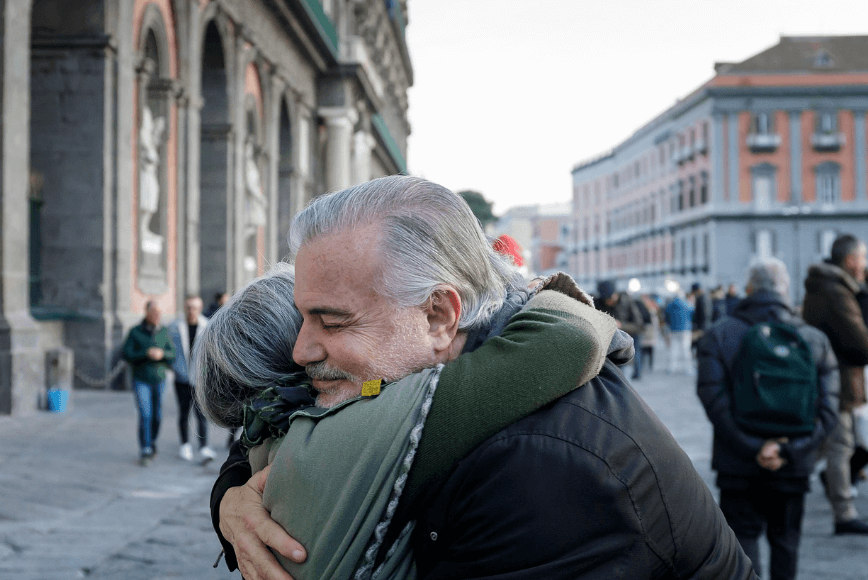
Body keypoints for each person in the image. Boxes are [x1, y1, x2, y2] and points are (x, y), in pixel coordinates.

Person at [212, 176, 757, 580]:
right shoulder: (407, 378)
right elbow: (285, 419)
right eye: (303, 315)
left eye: (332, 321)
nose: (301, 349)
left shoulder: (542, 463)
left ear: (439, 317)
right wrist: (234, 497)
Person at [195, 262, 616, 579]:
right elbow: (567, 338)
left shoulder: (278, 437)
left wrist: (228, 499)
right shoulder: (381, 421)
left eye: (331, 321)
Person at [697, 257, 838, 580]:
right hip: (793, 464)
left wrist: (753, 447)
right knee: (786, 543)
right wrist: (787, 450)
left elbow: (712, 399)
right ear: (785, 290)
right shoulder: (814, 339)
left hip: (737, 464)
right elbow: (828, 411)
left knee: (743, 547)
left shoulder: (720, 334)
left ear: (747, 289)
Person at [802, 233, 868, 534]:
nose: (865, 264)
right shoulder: (837, 292)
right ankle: (844, 513)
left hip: (830, 376)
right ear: (852, 260)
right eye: (863, 258)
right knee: (841, 444)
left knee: (829, 443)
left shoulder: (826, 287)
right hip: (837, 379)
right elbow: (859, 341)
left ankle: (789, 475)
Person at [122, 301, 175, 466]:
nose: (157, 317)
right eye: (154, 313)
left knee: (157, 415)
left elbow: (172, 353)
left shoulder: (164, 332)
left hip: (159, 379)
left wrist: (162, 354)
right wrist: (145, 353)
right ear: (146, 313)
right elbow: (126, 353)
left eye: (159, 314)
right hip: (141, 379)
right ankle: (145, 448)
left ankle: (152, 441)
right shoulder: (135, 332)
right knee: (145, 414)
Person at [168, 295, 217, 464]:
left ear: (200, 307)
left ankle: (204, 447)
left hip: (199, 378)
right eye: (189, 307)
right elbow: (169, 349)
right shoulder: (174, 326)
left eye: (195, 307)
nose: (192, 311)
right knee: (183, 413)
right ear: (184, 307)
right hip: (181, 378)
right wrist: (174, 367)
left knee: (201, 414)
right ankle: (185, 445)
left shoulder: (207, 326)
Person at [596, 280, 647, 379]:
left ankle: (637, 373)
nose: (608, 302)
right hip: (611, 347)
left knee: (628, 370)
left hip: (629, 340)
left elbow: (639, 325)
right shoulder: (599, 303)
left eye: (609, 298)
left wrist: (621, 325)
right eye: (605, 299)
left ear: (615, 294)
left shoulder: (627, 301)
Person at [664, 290, 695, 375]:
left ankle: (671, 368)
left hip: (673, 330)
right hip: (685, 330)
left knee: (673, 349)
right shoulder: (687, 304)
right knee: (686, 349)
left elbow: (666, 317)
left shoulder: (670, 305)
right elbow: (693, 314)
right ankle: (688, 369)